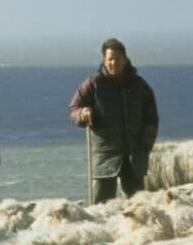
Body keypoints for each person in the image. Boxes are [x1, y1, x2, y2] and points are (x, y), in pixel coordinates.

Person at [68, 37, 159, 204]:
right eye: (110, 59)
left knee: (139, 205)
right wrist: (83, 113)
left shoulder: (139, 85)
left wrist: (146, 144)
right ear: (104, 60)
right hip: (106, 155)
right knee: (101, 204)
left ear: (125, 60)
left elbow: (151, 118)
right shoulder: (93, 83)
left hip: (134, 155)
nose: (113, 63)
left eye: (117, 59)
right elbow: (73, 109)